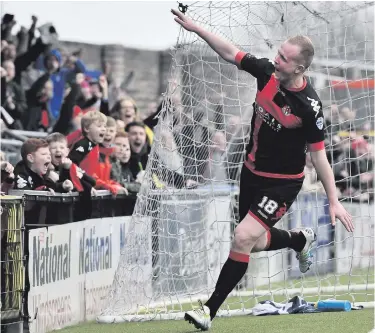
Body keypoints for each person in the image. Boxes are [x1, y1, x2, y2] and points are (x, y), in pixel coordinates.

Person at [171, 8, 354, 331]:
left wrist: (334, 200)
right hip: (251, 172)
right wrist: (196, 28)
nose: (276, 58)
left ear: (298, 67)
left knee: (242, 237)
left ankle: (207, 311)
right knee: (252, 243)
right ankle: (299, 240)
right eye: (278, 53)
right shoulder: (267, 73)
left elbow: (320, 156)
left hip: (282, 183)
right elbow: (230, 52)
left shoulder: (309, 108)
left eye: (284, 57)